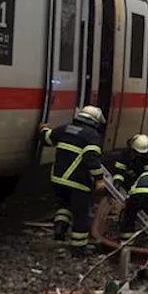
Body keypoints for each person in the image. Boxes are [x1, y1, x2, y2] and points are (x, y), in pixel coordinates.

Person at [37, 105, 106, 253]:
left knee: (64, 206)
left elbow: (47, 139)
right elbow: (91, 158)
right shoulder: (91, 135)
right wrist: (99, 179)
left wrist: (43, 129)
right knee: (81, 214)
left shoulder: (65, 128)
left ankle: (60, 229)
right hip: (78, 181)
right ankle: (78, 247)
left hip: (58, 179)